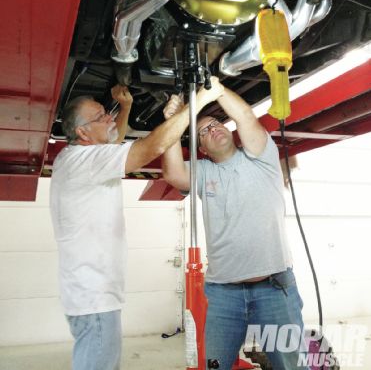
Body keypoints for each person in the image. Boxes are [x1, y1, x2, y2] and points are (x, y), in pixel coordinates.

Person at [50, 79, 224, 370]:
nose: (109, 117)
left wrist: (127, 105)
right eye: (101, 116)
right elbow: (151, 146)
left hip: (89, 296)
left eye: (107, 112)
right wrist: (198, 102)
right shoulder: (86, 160)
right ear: (82, 132)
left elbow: (114, 139)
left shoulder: (75, 158)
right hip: (94, 299)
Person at [162, 83, 309, 370]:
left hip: (274, 288)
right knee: (215, 365)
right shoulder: (204, 172)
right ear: (201, 150)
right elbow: (173, 173)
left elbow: (244, 116)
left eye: (216, 123)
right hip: (223, 295)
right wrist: (173, 122)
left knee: (292, 366)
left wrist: (214, 87)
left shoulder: (261, 157)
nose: (213, 129)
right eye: (203, 131)